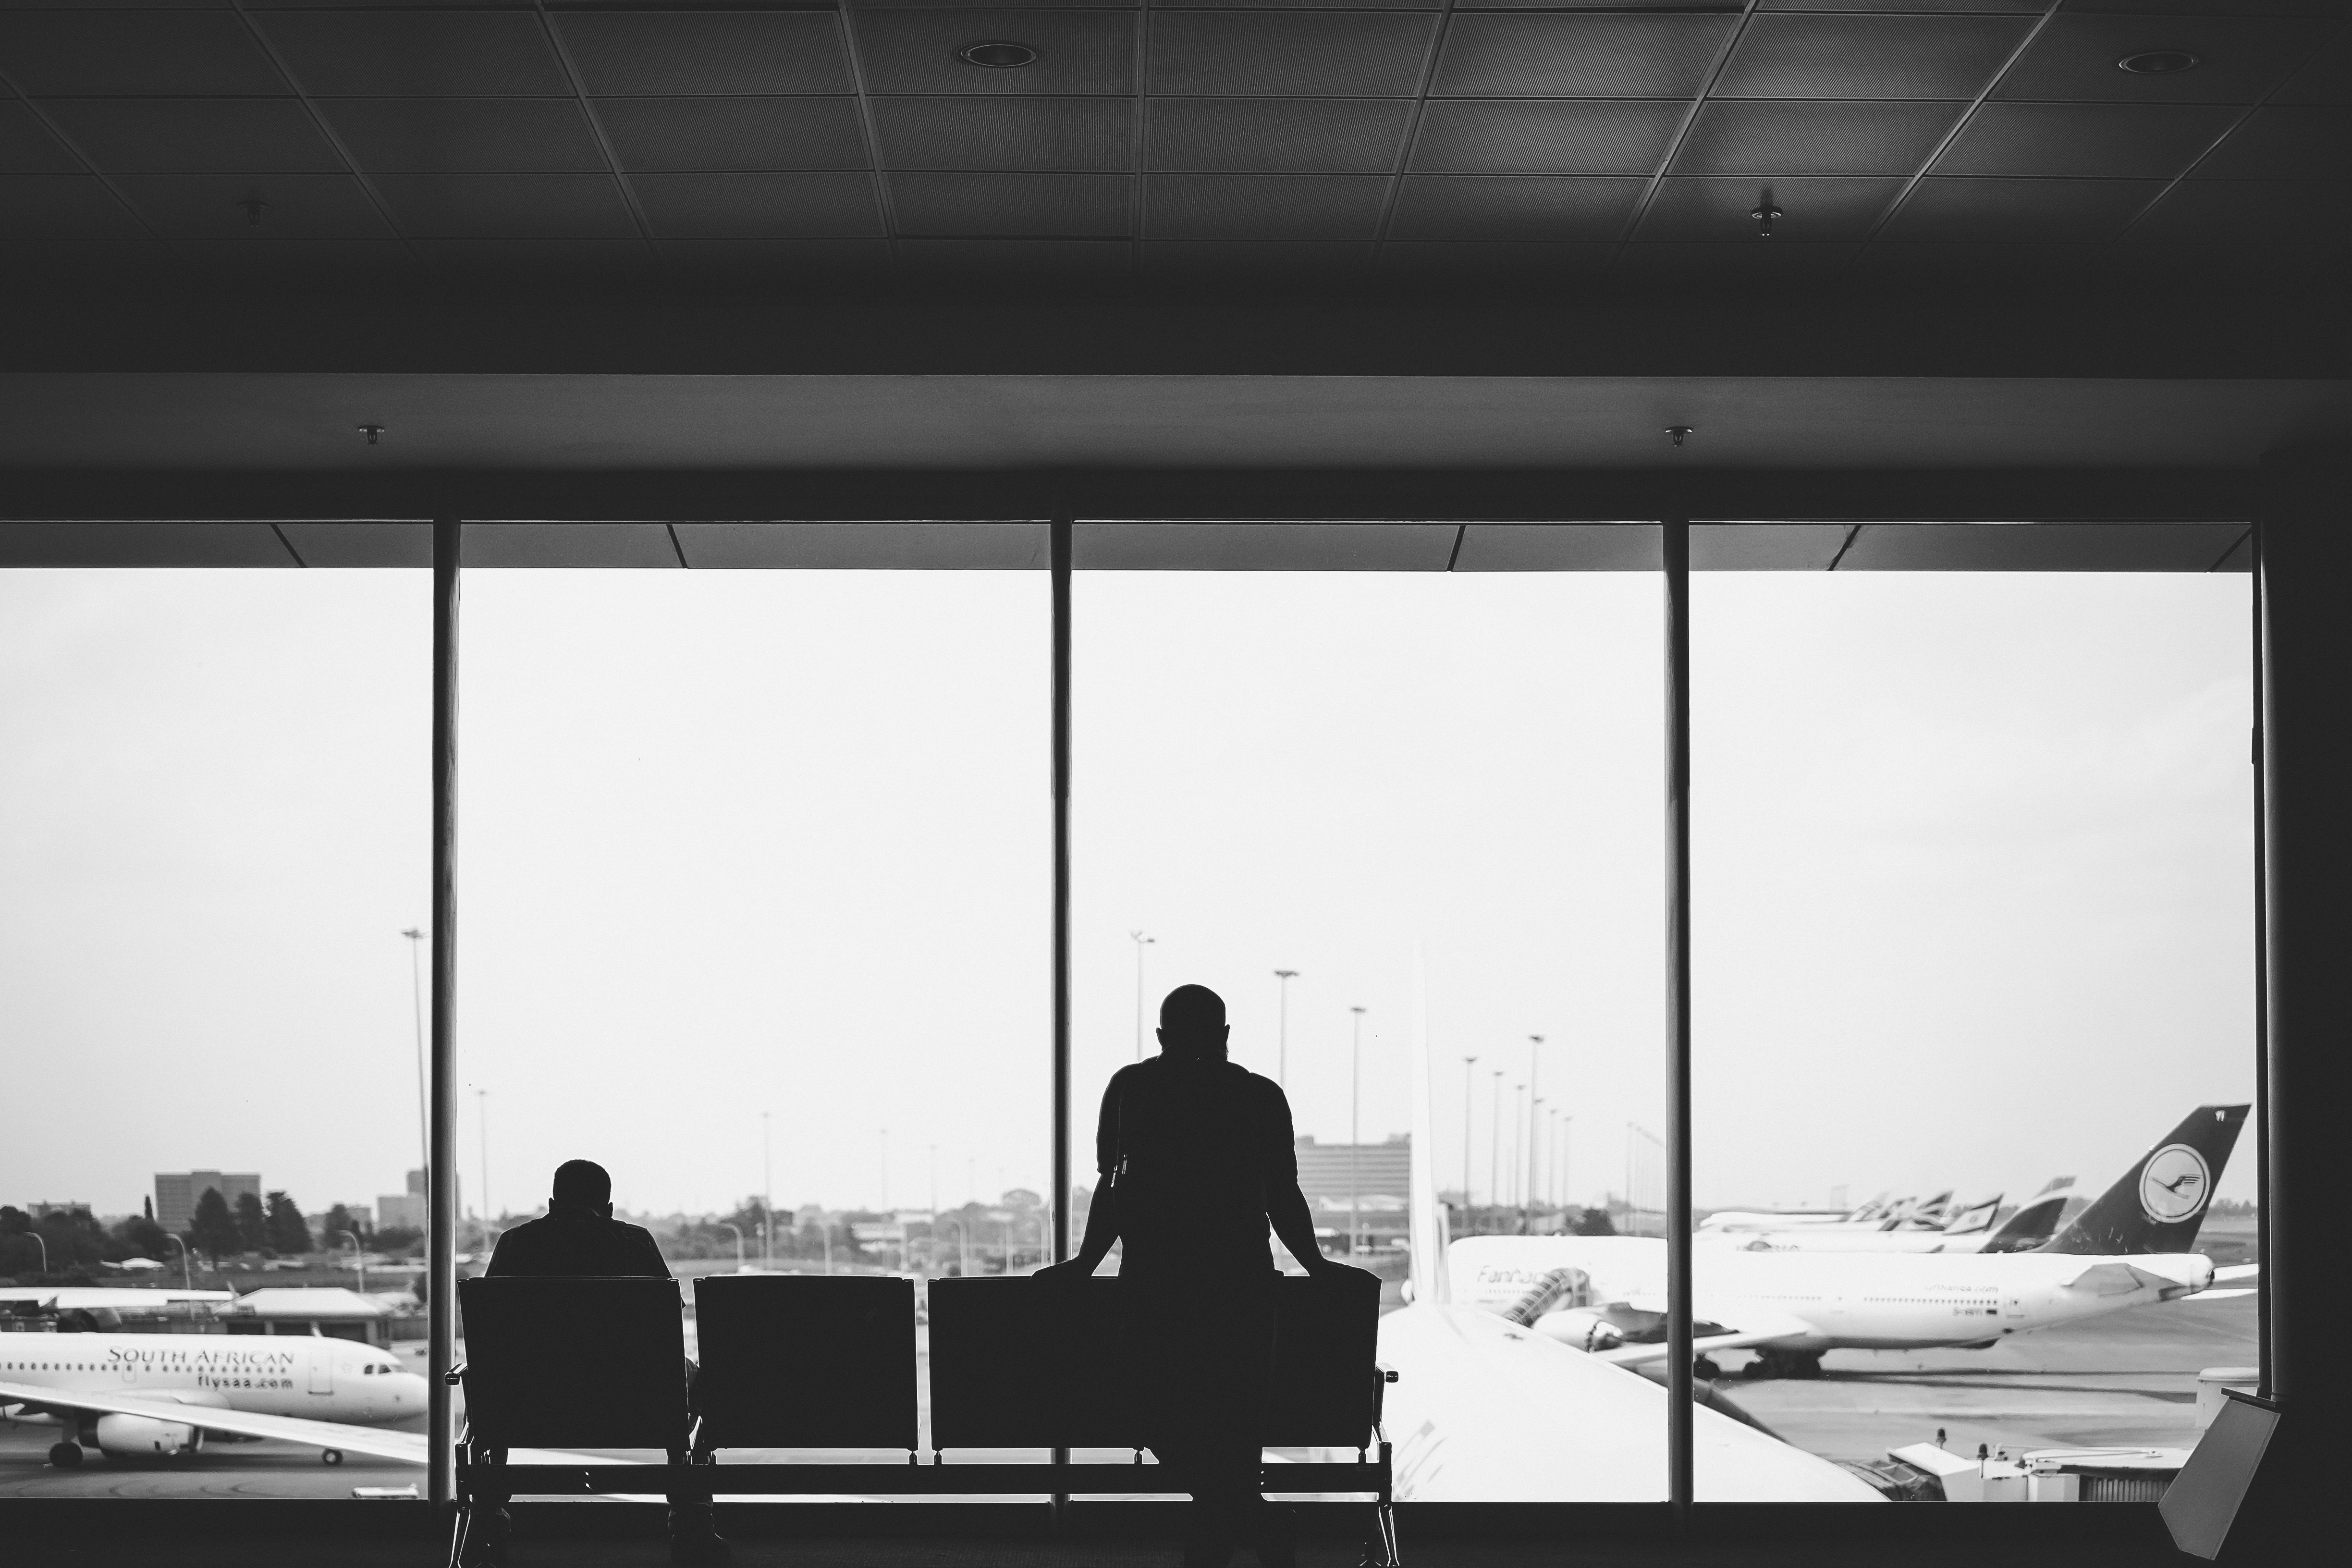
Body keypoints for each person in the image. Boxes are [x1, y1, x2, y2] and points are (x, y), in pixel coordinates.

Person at [1040, 985, 1374, 1568]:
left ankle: (1232, 1533)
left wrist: (1086, 1265)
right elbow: (1282, 1197)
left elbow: (1113, 1189)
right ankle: (1251, 1524)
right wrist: (1315, 1266)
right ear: (1224, 1035)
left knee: (1154, 1410)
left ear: (1162, 1037)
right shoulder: (1259, 1097)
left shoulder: (1132, 1090)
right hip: (1240, 1286)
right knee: (1234, 1426)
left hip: (1154, 1283)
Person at [467, 1160, 728, 1567]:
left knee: (496, 1375)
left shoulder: (514, 1244)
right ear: (608, 1207)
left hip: (530, 1404)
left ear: (552, 1203)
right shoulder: (635, 1243)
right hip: (633, 1403)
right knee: (691, 1377)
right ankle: (691, 1519)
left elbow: (493, 1334)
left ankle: (488, 1519)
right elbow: (667, 1320)